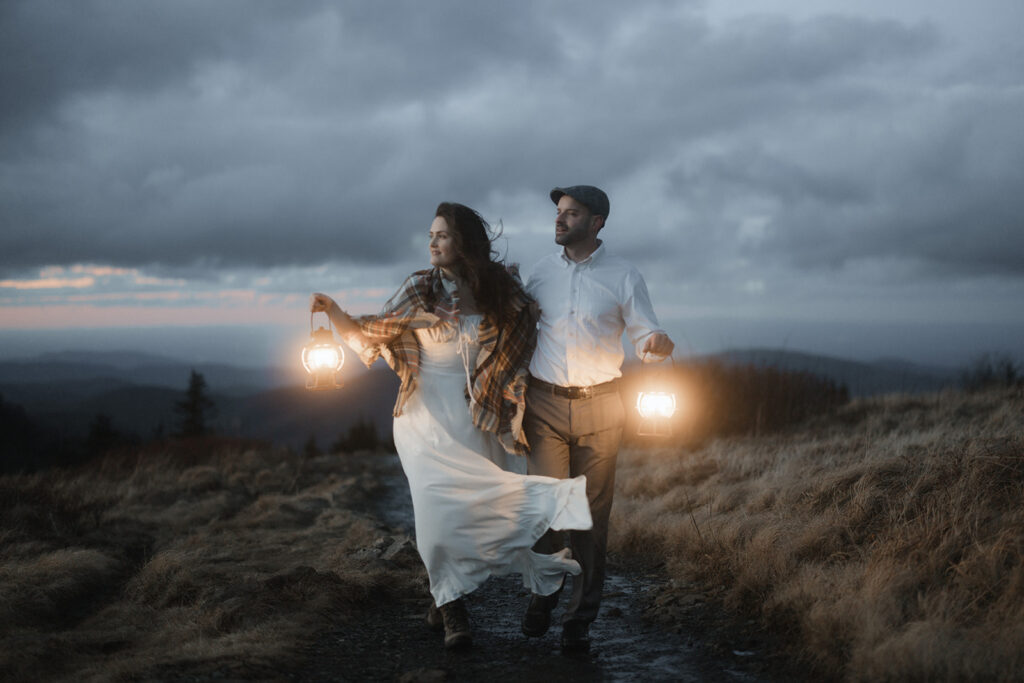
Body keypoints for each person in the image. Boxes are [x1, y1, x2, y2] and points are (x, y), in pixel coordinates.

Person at [310, 202, 593, 650]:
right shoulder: (419, 288)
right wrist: (335, 311)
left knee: (484, 513)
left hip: (479, 419)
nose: (433, 243)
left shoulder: (500, 288)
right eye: (431, 235)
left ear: (464, 242)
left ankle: (444, 592)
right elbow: (374, 333)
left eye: (441, 235)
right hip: (423, 417)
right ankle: (452, 612)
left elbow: (526, 329)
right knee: (435, 514)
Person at [521, 185, 675, 653]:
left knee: (589, 520)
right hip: (543, 404)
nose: (559, 219)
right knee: (548, 511)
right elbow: (517, 327)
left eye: (572, 213)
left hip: (602, 405)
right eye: (559, 212)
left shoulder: (624, 275)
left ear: (597, 222)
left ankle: (578, 620)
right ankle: (545, 593)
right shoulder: (539, 273)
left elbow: (646, 332)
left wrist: (655, 343)